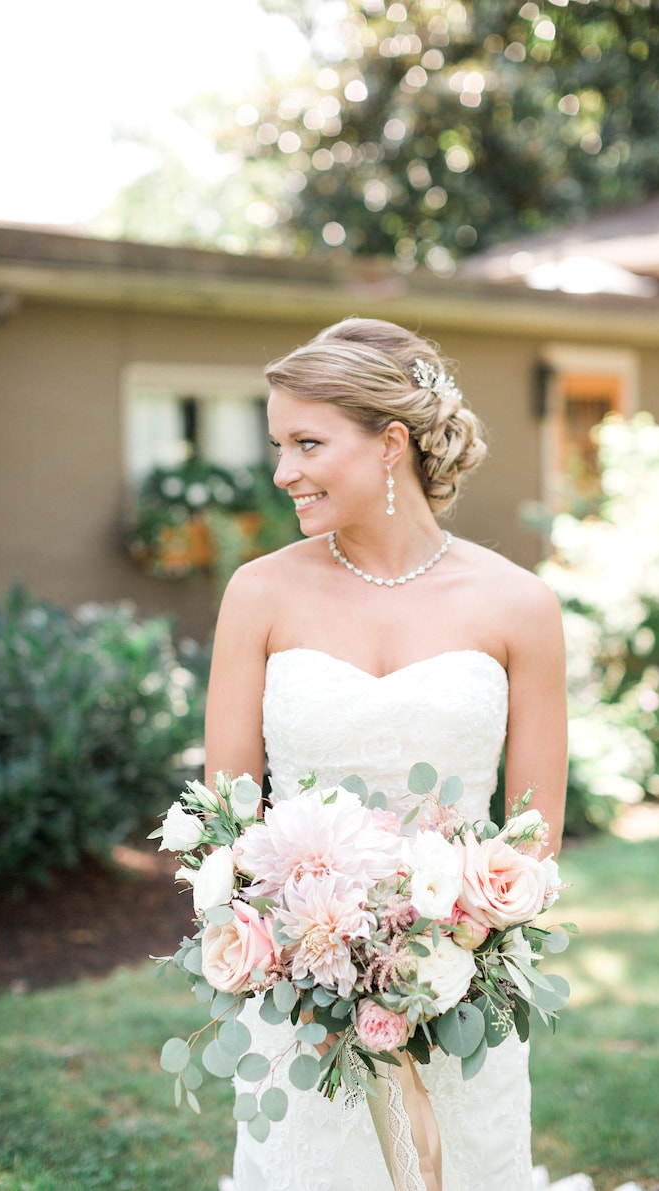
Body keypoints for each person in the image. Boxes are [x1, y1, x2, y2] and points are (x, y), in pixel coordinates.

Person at [204, 316, 568, 1191]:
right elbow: (225, 819)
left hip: (459, 988)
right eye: (278, 444)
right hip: (302, 1003)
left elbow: (533, 835)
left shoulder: (519, 605)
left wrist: (440, 950)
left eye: (307, 443)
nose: (283, 470)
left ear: (390, 444)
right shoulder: (257, 594)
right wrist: (317, 961)